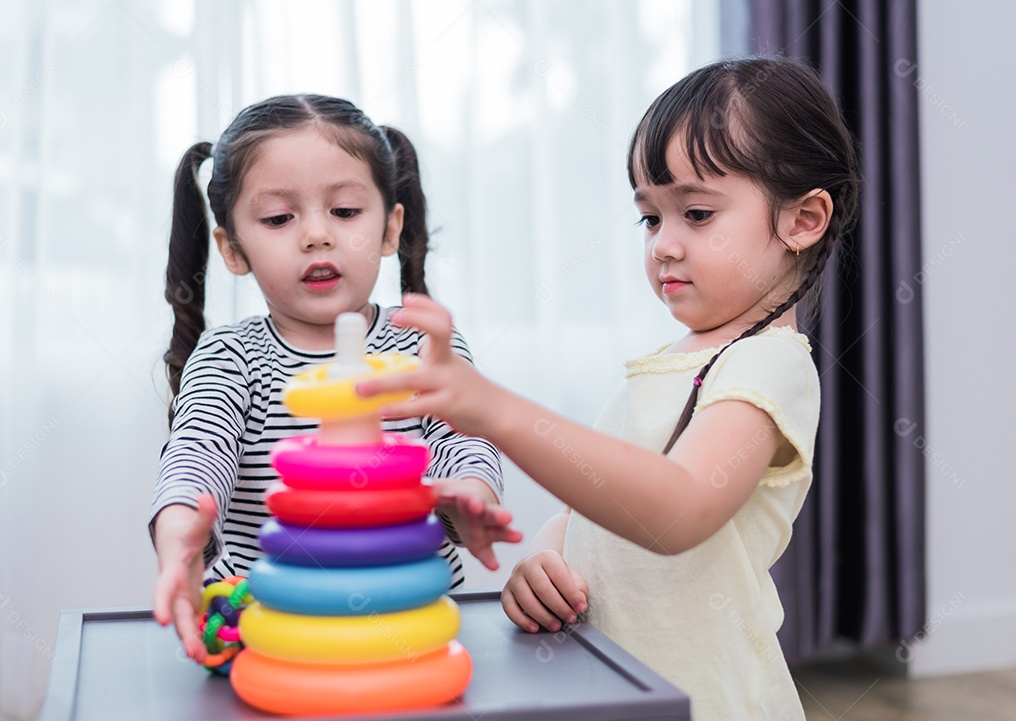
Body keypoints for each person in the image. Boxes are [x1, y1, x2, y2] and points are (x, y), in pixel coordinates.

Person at [356, 57, 860, 721]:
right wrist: (544, 556)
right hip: (622, 686)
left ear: (803, 220)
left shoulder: (768, 366)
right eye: (650, 218)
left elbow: (676, 509)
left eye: (697, 213)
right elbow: (594, 511)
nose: (664, 245)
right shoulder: (666, 365)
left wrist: (497, 410)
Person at [149, 94, 521, 663]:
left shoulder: (423, 346)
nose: (316, 235)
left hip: (408, 630)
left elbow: (462, 441)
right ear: (232, 247)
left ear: (390, 228)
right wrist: (179, 534)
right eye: (279, 218)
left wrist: (470, 496)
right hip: (270, 635)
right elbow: (196, 455)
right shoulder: (230, 356)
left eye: (345, 211)